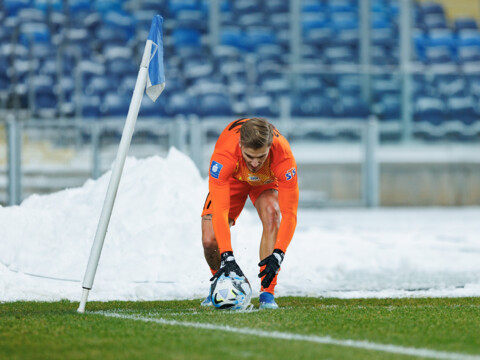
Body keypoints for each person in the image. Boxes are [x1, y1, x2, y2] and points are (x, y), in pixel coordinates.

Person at [201, 117, 299, 309]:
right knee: (209, 240)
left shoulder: (284, 158)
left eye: (261, 156)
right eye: (249, 156)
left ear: (270, 146)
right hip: (232, 179)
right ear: (240, 145)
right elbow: (220, 211)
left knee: (273, 214)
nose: (254, 163)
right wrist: (227, 256)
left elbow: (290, 214)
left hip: (266, 180)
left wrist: (279, 253)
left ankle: (267, 293)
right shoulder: (224, 156)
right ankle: (220, 282)